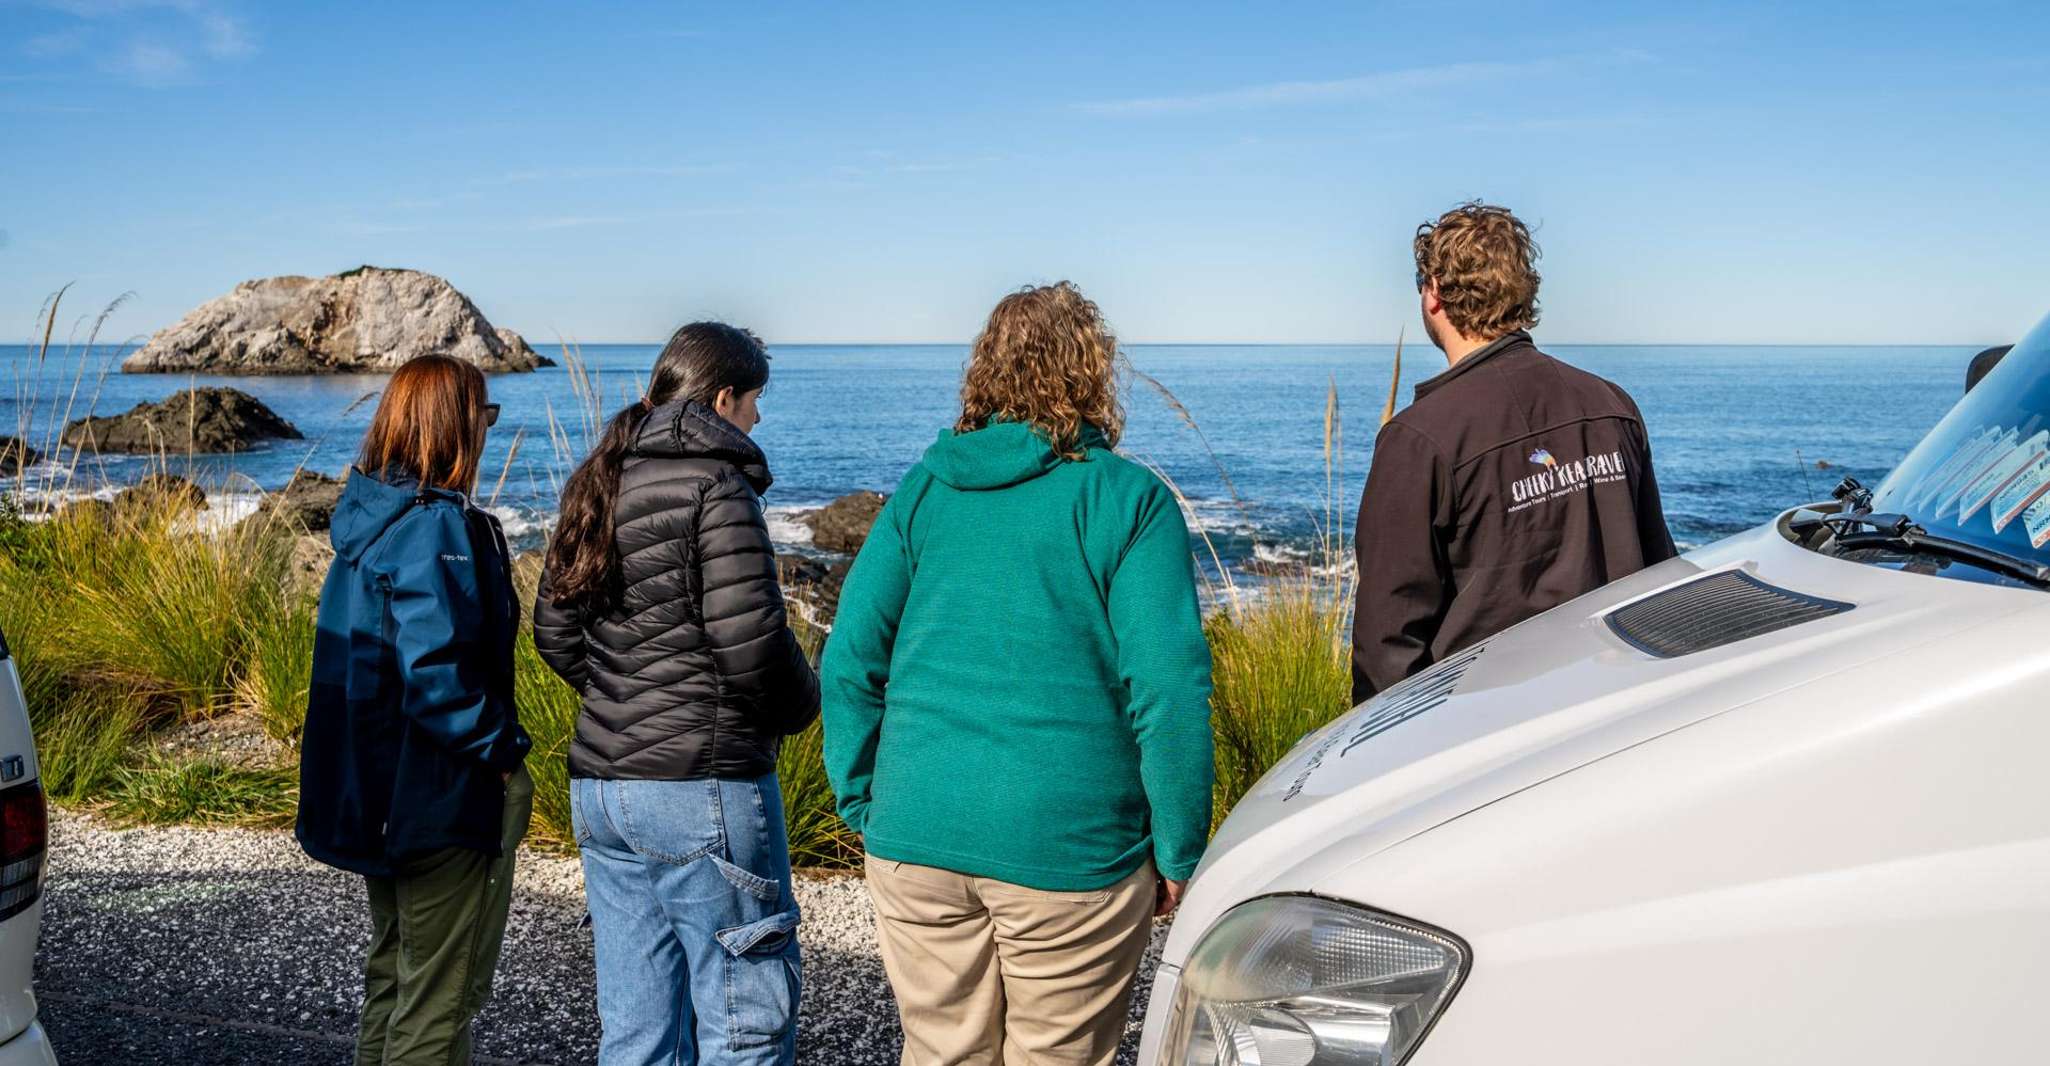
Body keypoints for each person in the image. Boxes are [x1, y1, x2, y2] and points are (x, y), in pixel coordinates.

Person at [821, 282, 1215, 1066]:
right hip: (1070, 850)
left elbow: (849, 659)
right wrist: (1178, 849)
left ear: (984, 373)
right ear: (1093, 370)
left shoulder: (924, 491)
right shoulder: (1127, 500)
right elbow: (1168, 691)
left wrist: (865, 798)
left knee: (941, 1052)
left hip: (917, 832)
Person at [532, 322, 819, 1066]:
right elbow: (752, 646)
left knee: (638, 1033)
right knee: (745, 1023)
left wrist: (627, 700)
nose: (757, 419)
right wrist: (804, 707)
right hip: (700, 786)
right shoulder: (718, 484)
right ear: (724, 397)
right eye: (756, 401)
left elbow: (554, 630)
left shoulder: (600, 474)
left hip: (602, 791)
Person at [296, 353, 535, 1066]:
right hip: (437, 795)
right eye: (484, 416)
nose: (489, 432)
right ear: (456, 426)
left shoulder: (371, 518)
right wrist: (504, 752)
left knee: (397, 973)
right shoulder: (436, 528)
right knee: (440, 995)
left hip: (377, 794)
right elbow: (436, 676)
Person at [1353, 202, 1676, 704]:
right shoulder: (1611, 404)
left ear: (1433, 293)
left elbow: (1386, 644)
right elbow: (1661, 571)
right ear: (1521, 291)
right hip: (1618, 705)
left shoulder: (1418, 439)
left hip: (1486, 727)